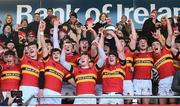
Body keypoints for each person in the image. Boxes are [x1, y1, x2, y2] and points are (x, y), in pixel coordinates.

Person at [60, 36, 106, 104]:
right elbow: (63, 61)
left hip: (91, 97)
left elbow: (103, 58)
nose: (82, 58)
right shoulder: (75, 70)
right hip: (79, 97)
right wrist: (64, 48)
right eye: (81, 57)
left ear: (89, 60)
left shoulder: (94, 69)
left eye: (85, 57)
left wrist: (98, 45)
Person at [152, 16, 175, 104]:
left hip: (171, 79)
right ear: (152, 48)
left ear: (160, 45)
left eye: (157, 44)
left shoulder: (166, 50)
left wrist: (168, 21)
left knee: (172, 103)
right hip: (161, 81)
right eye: (153, 45)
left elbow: (170, 34)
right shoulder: (152, 57)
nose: (155, 46)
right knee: (162, 104)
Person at [99, 29, 126, 104]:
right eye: (109, 56)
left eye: (113, 56)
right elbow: (101, 51)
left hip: (117, 96)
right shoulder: (104, 66)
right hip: (104, 96)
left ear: (117, 59)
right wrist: (102, 36)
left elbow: (120, 50)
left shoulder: (121, 66)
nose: (111, 58)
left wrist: (114, 35)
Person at [133, 36, 153, 104]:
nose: (143, 43)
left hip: (147, 81)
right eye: (141, 42)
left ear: (147, 45)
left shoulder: (152, 54)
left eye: (144, 42)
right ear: (138, 45)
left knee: (146, 104)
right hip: (136, 81)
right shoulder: (134, 55)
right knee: (136, 103)